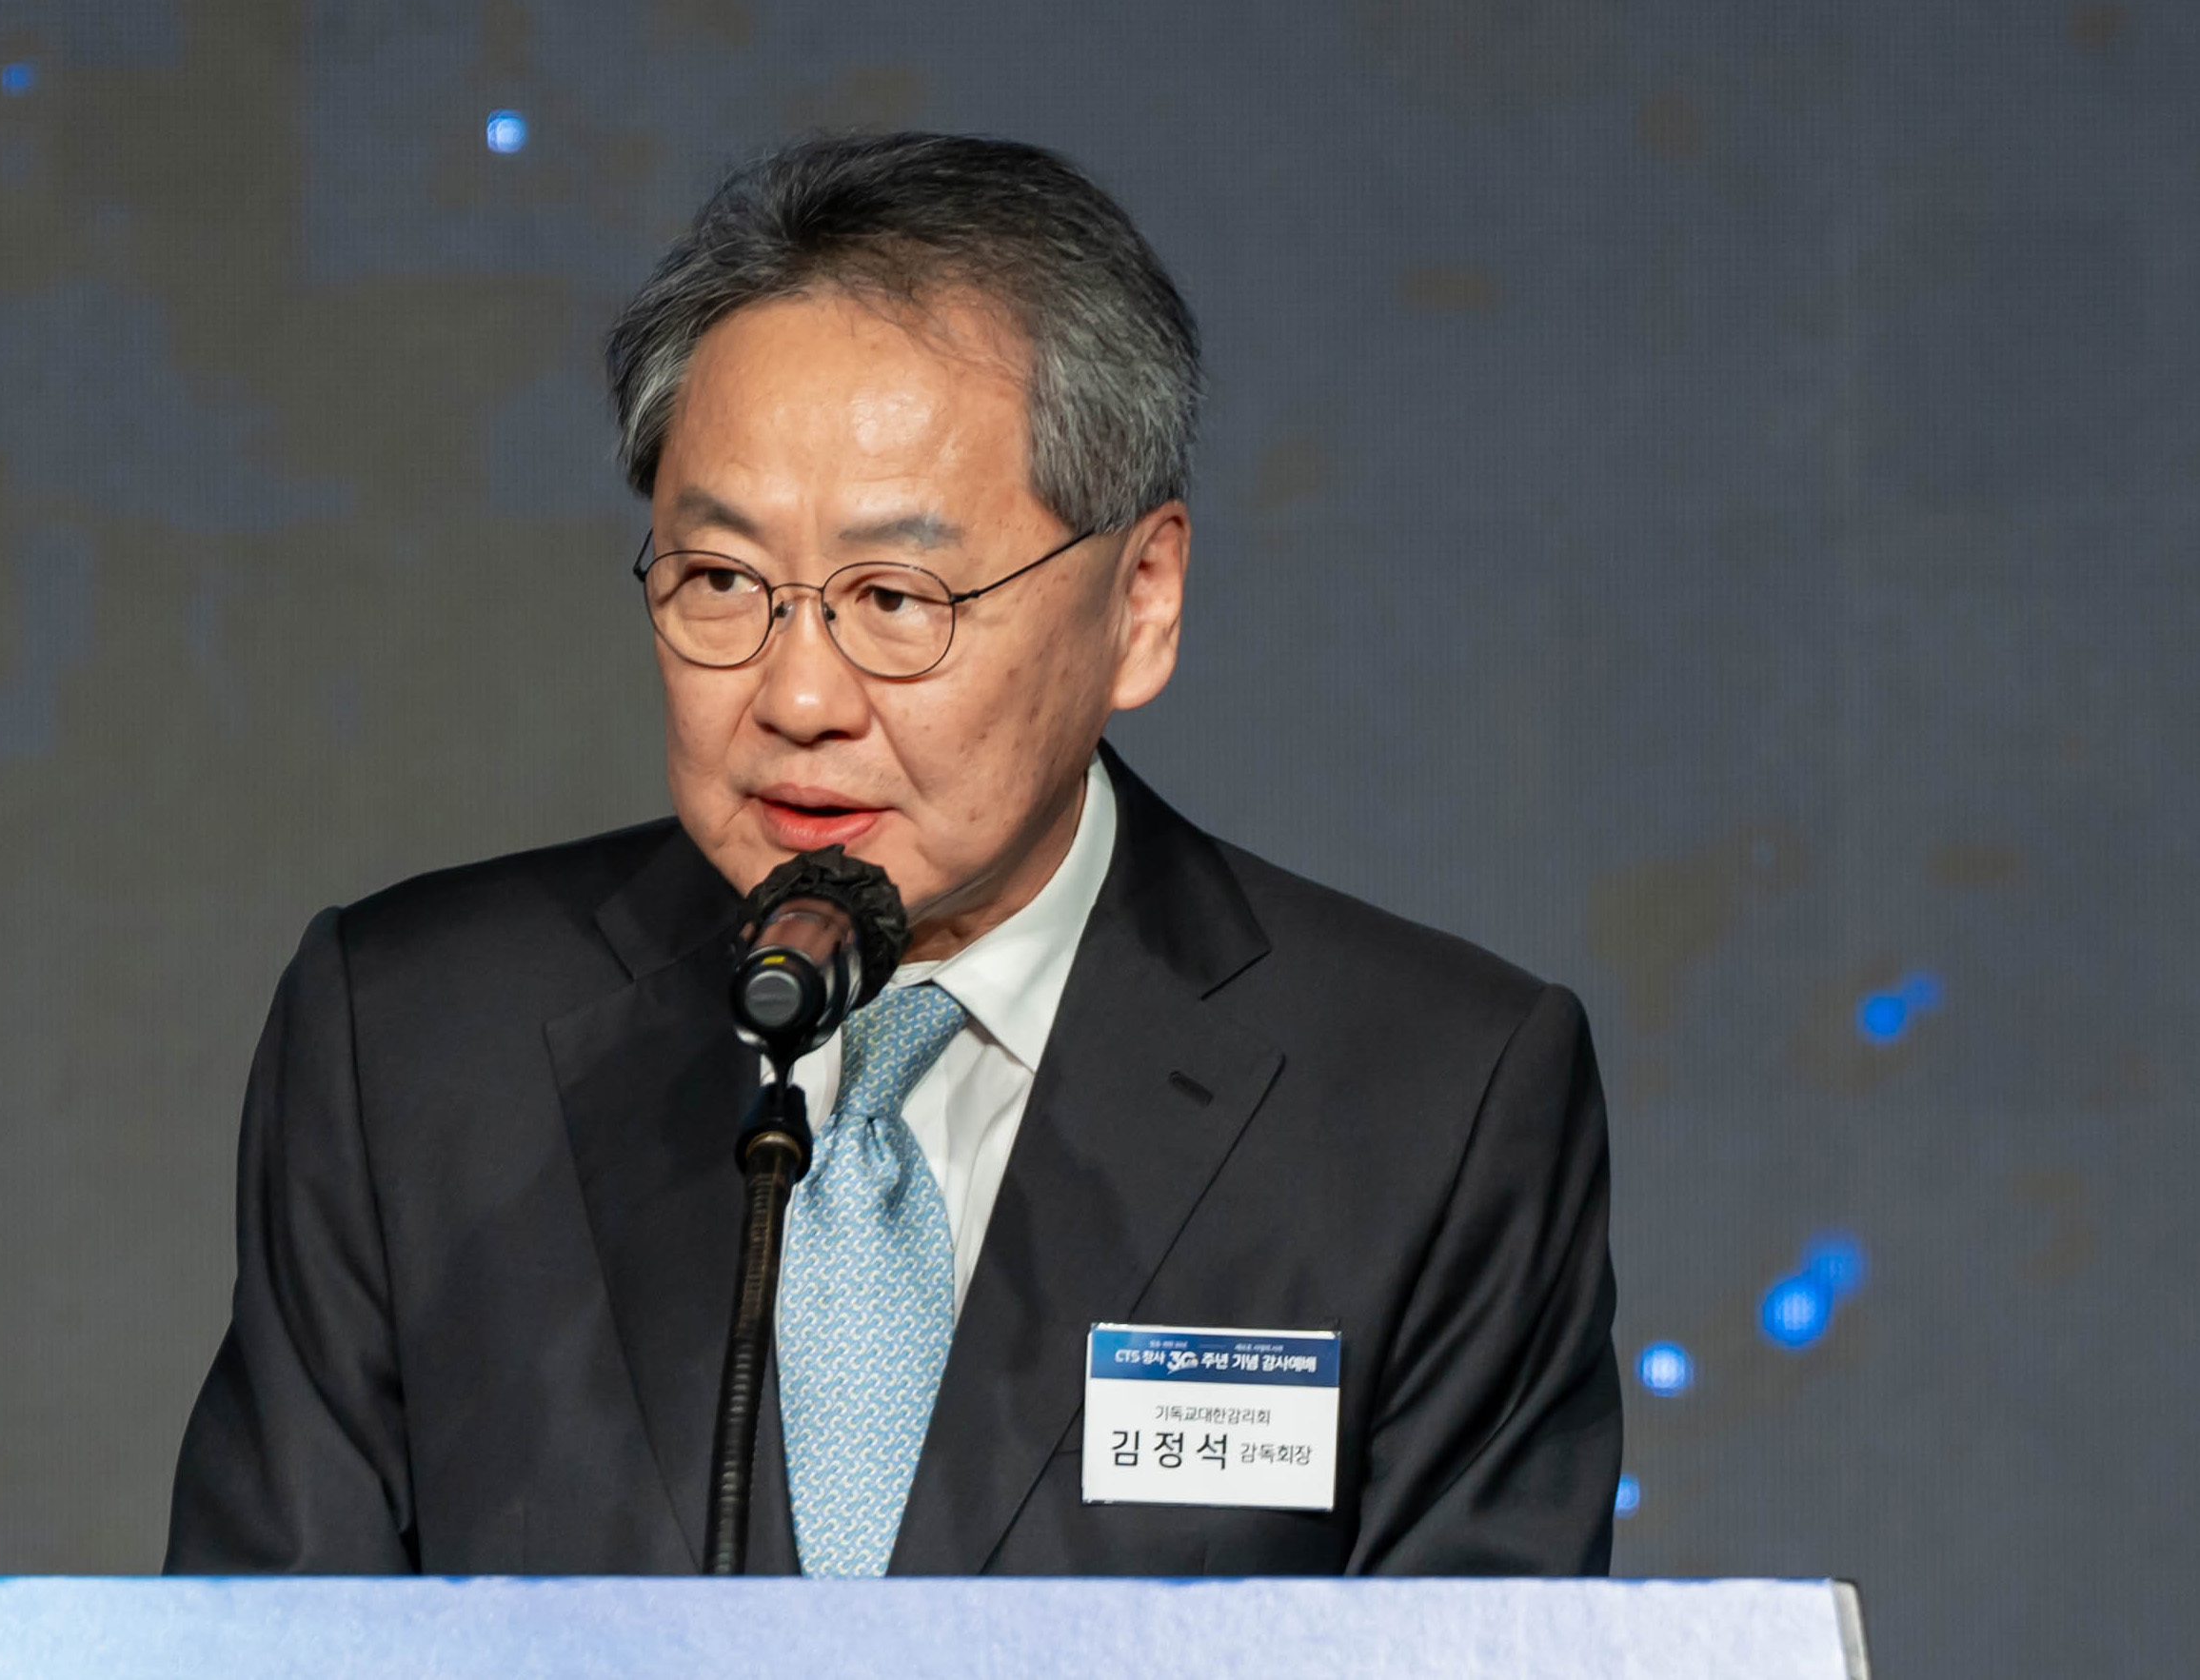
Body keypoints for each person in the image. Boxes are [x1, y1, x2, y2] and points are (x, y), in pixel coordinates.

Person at [166, 132, 1619, 1578]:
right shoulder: (410, 1045)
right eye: (721, 578)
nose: (799, 696)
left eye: (896, 597)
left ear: (1141, 602)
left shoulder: (1430, 1103)